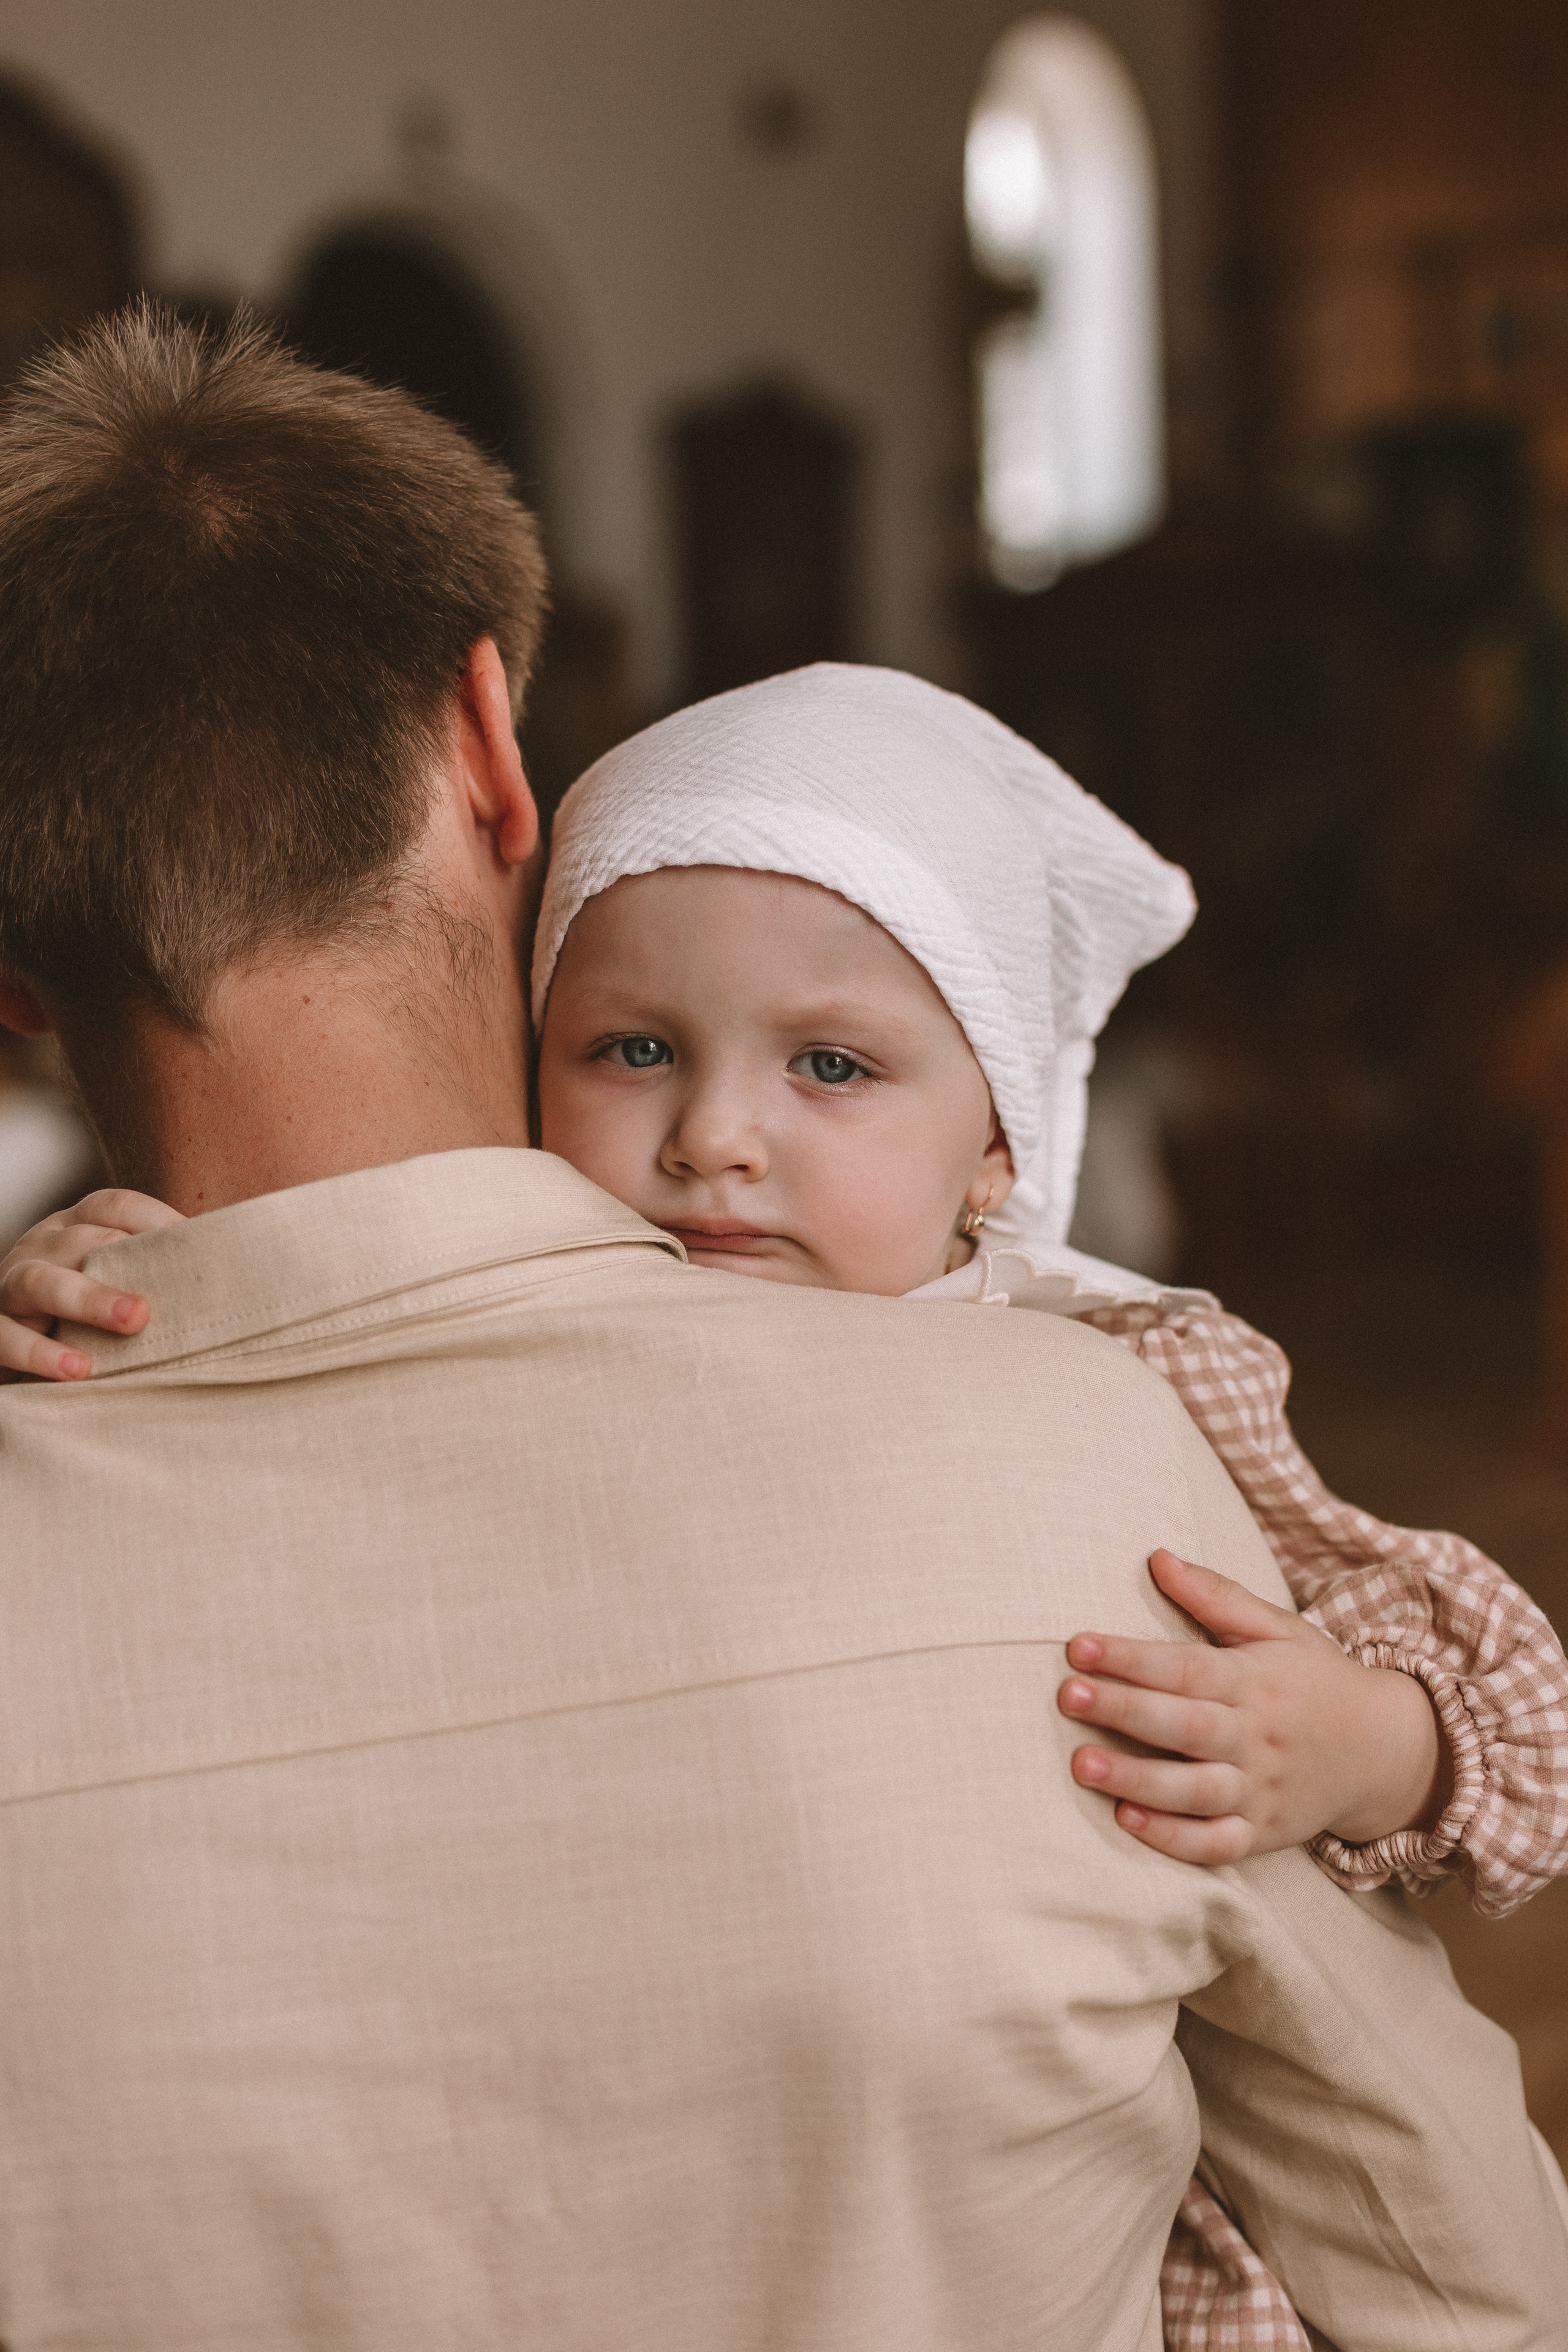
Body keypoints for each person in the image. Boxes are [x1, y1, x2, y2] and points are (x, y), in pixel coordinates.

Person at [2, 307, 1566, 2351]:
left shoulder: (1128, 1377)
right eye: (639, 1049)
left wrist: (1378, 1737)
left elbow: (1485, 1709)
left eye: (832, 1070)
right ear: (497, 762)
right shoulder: (1072, 1488)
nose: (716, 1147)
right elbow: (1460, 2263)